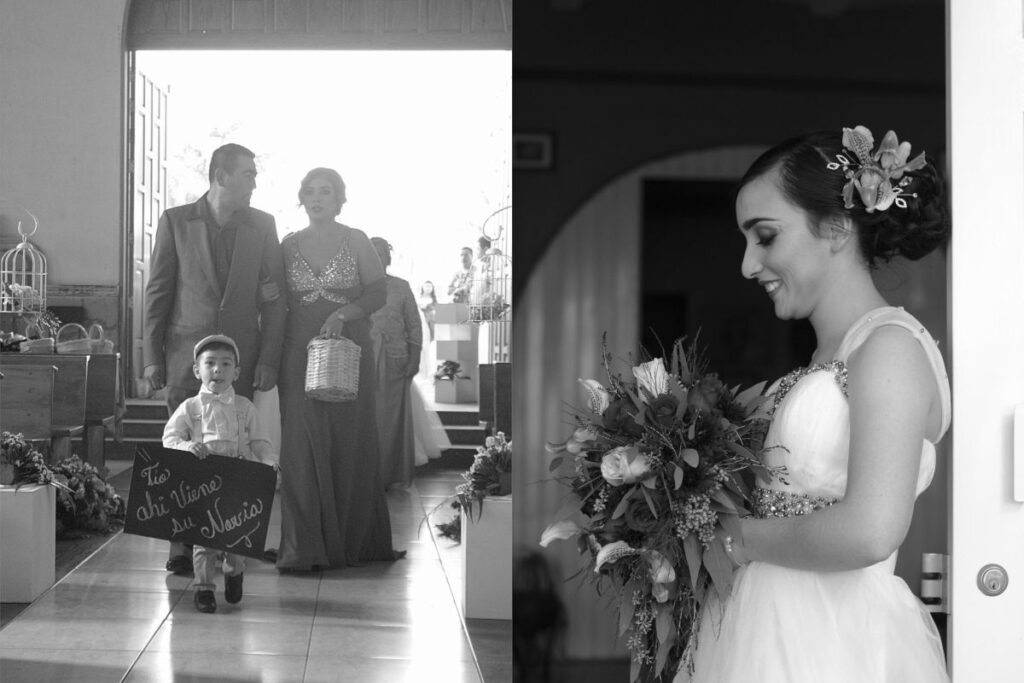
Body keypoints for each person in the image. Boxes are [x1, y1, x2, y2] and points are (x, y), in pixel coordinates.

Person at [680, 126, 951, 682]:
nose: (747, 265)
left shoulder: (890, 347)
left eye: (766, 236)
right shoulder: (832, 353)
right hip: (763, 632)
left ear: (836, 226)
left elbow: (870, 530)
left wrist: (731, 538)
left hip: (832, 643)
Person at [143, 142, 286, 576]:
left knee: (232, 452)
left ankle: (227, 539)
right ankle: (181, 545)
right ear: (221, 177)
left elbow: (276, 300)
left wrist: (269, 359)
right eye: (248, 174)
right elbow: (159, 291)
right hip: (184, 355)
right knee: (184, 450)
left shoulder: (263, 225)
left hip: (240, 357)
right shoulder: (175, 220)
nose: (255, 183)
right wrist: (151, 357)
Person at [276, 167, 404, 571]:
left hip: (348, 349)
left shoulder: (357, 240)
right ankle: (303, 548)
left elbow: (378, 291)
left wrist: (344, 313)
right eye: (310, 191)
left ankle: (351, 541)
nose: (317, 198)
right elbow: (275, 296)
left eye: (325, 192)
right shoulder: (287, 244)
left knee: (348, 441)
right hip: (297, 353)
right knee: (299, 446)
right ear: (302, 198)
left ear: (339, 199)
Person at [162, 335, 278, 613]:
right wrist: (189, 446)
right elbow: (170, 437)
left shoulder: (245, 407)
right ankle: (203, 589)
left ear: (236, 372)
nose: (218, 370)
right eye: (210, 363)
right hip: (203, 483)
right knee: (205, 541)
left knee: (236, 538)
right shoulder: (190, 408)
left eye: (226, 364)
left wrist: (269, 460)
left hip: (236, 482)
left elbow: (260, 441)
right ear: (196, 370)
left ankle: (234, 572)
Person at [369, 237, 422, 489]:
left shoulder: (401, 287)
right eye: (372, 254)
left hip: (395, 360)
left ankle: (389, 474)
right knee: (364, 420)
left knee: (390, 420)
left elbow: (414, 324)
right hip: (361, 362)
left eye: (381, 254)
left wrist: (415, 357)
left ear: (387, 258)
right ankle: (363, 474)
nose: (377, 258)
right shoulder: (355, 287)